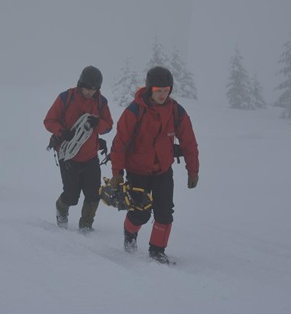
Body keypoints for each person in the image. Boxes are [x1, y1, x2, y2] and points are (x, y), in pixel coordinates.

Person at [110, 66, 199, 264]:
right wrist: (117, 173)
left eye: (166, 90)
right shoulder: (134, 111)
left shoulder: (176, 111)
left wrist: (193, 171)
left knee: (164, 212)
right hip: (137, 171)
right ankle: (129, 234)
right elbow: (119, 144)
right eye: (158, 90)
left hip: (163, 172)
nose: (162, 94)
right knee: (140, 213)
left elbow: (189, 142)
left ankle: (157, 251)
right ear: (150, 89)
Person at [44, 66, 113, 232]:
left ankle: (86, 225)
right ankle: (61, 210)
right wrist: (62, 132)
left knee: (93, 194)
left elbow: (109, 126)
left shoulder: (101, 102)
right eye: (87, 88)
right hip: (67, 155)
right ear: (80, 84)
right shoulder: (66, 98)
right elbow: (49, 120)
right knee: (71, 194)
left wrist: (97, 124)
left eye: (94, 89)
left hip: (90, 155)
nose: (90, 92)